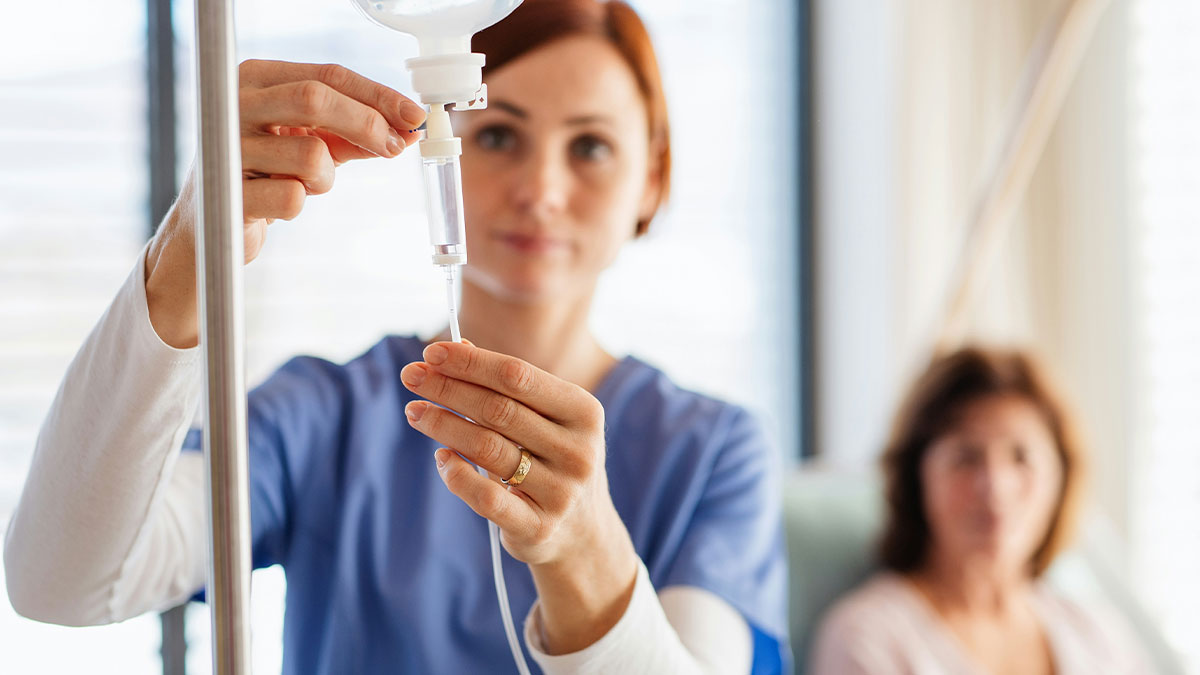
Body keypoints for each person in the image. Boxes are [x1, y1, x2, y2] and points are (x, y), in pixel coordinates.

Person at [2, 1, 788, 673]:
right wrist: (187, 251)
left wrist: (586, 551)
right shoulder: (326, 416)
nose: (540, 190)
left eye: (590, 146)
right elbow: (61, 580)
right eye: (499, 135)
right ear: (439, 137)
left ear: (652, 176)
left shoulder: (710, 454)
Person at [809, 347, 1151, 674]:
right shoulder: (870, 639)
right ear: (917, 477)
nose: (995, 488)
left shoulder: (1098, 636)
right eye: (965, 458)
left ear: (1060, 476)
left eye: (1021, 457)